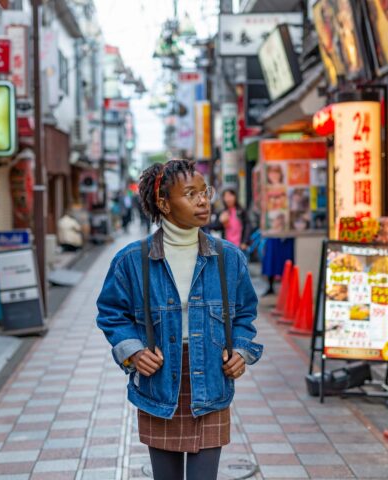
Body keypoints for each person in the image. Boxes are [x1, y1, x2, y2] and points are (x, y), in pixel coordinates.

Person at [96, 160, 263, 480]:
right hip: (159, 384)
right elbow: (111, 313)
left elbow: (245, 313)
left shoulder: (228, 257)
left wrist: (241, 351)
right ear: (163, 203)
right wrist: (132, 351)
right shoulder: (133, 260)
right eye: (190, 194)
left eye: (205, 192)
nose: (203, 201)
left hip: (212, 381)